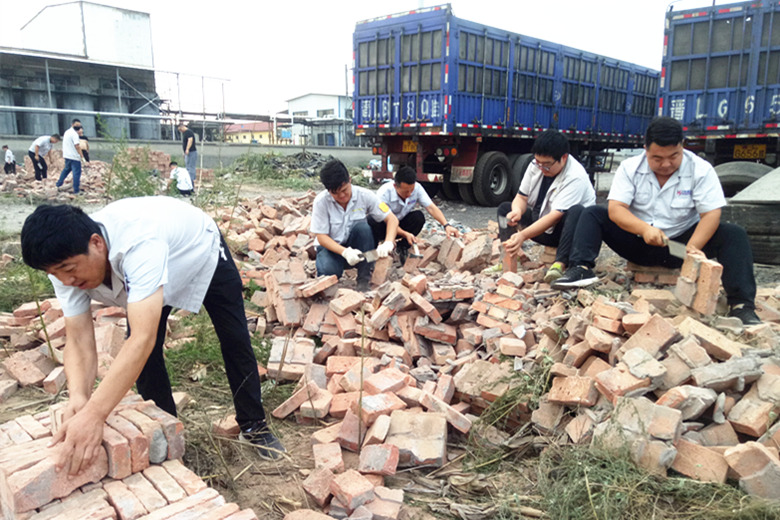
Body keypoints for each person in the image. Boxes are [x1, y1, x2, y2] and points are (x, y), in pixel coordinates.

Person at [20, 197, 285, 476]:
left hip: (199, 252)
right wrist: (78, 398)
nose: (66, 281)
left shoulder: (138, 241)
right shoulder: (65, 264)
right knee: (146, 361)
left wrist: (95, 414)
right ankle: (167, 434)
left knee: (234, 338)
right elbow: (78, 340)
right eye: (55, 274)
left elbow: (141, 340)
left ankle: (254, 426)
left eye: (70, 271)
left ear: (97, 243)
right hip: (152, 272)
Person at [552, 116, 760, 325]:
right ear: (645, 149)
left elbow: (711, 214)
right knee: (593, 213)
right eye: (657, 158)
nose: (666, 164)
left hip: (678, 248)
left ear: (682, 147)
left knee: (734, 234)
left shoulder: (700, 169)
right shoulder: (630, 168)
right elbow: (616, 209)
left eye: (673, 156)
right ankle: (580, 269)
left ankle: (742, 306)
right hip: (635, 243)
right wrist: (643, 229)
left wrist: (692, 248)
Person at [496, 130, 596, 282]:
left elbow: (555, 216)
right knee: (505, 209)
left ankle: (560, 264)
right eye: (539, 163)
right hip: (543, 227)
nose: (542, 168)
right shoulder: (535, 165)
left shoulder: (576, 176)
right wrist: (517, 210)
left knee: (577, 211)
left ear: (563, 158)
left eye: (547, 165)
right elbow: (521, 197)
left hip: (568, 235)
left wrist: (523, 235)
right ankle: (509, 258)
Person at [310, 159, 399, 291]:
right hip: (332, 249)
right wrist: (345, 252)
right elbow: (322, 237)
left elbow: (392, 219)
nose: (341, 196)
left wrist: (388, 242)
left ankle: (363, 282)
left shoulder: (365, 195)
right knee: (328, 270)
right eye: (335, 193)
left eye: (344, 190)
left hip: (359, 253)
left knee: (363, 229)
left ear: (350, 180)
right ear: (328, 190)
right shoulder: (321, 202)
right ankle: (332, 280)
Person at [372, 166, 460, 263]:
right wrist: (405, 234)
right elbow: (390, 221)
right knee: (372, 220)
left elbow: (431, 207)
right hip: (384, 226)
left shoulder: (417, 188)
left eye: (411, 190)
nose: (409, 194)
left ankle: (402, 247)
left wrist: (446, 225)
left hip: (401, 224)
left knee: (418, 217)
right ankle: (372, 252)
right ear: (395, 186)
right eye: (406, 191)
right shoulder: (383, 193)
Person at [56, 119, 85, 194]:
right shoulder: (74, 134)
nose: (78, 127)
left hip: (67, 155)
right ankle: (76, 190)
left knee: (66, 170)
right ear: (72, 124)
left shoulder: (67, 132)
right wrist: (82, 156)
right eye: (77, 125)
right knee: (76, 173)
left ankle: (58, 184)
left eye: (79, 126)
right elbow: (77, 146)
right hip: (74, 156)